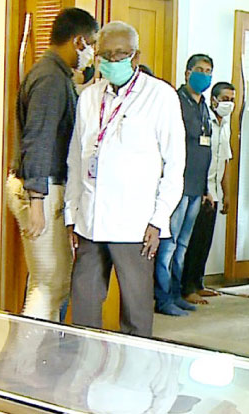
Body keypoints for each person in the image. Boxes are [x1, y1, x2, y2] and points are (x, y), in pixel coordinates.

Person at [64, 21, 185, 337]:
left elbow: (174, 166)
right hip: (90, 221)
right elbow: (76, 160)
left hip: (136, 225)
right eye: (105, 55)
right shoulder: (89, 97)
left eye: (120, 55)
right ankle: (84, 367)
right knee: (84, 309)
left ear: (136, 56)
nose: (112, 61)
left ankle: (135, 369)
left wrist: (158, 220)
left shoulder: (160, 96)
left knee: (136, 314)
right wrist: (71, 215)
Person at [11, 7, 98, 321]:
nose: (92, 53)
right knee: (50, 286)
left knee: (46, 283)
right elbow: (39, 138)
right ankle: (29, 350)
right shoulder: (49, 79)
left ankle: (38, 348)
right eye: (92, 44)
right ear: (78, 41)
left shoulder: (55, 75)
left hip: (42, 185)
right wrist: (36, 200)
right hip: (42, 187)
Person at [154, 53, 214, 316]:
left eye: (208, 71)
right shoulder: (176, 101)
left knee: (182, 246)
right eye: (200, 70)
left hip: (196, 186)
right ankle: (163, 297)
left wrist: (205, 189)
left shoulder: (204, 107)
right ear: (188, 73)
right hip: (177, 185)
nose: (204, 75)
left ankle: (176, 293)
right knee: (168, 245)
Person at [182, 82, 235, 305]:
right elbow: (197, 158)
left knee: (205, 241)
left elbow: (226, 161)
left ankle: (198, 283)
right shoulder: (204, 121)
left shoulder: (226, 125)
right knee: (192, 242)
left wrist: (227, 194)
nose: (229, 104)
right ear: (213, 100)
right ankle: (186, 288)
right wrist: (204, 189)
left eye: (232, 99)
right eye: (224, 99)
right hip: (199, 190)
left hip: (215, 191)